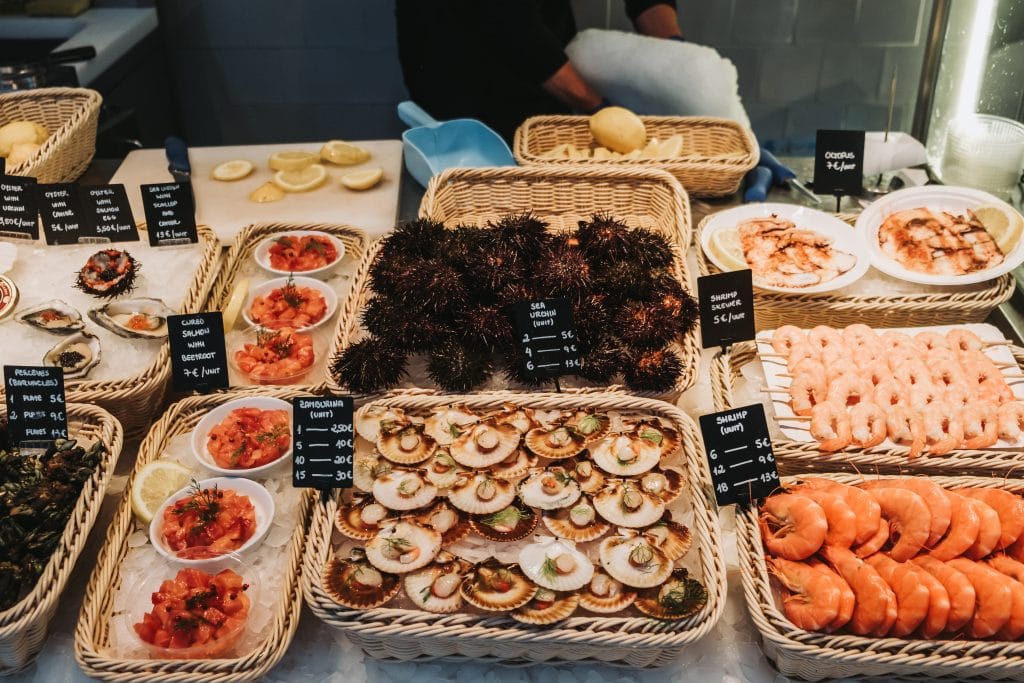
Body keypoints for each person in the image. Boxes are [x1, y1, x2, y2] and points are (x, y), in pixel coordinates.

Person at [395, 1, 683, 140]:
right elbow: (510, 25)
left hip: (537, 53)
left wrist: (674, 55)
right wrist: (600, 108)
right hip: (460, 65)